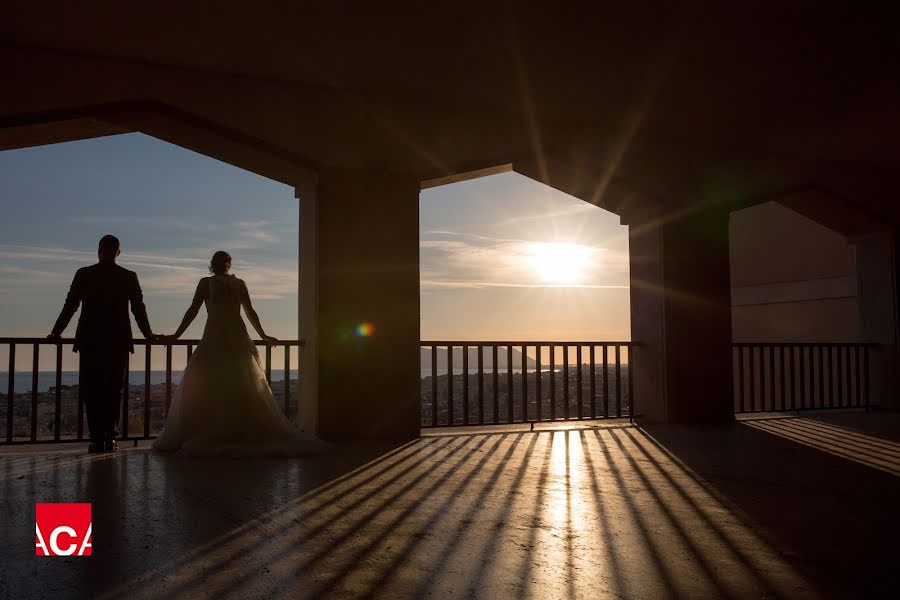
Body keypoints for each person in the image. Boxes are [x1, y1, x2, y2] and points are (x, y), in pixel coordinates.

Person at [153, 250, 321, 456]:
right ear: (213, 264)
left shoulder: (239, 284)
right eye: (218, 261)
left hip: (236, 337)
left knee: (238, 380)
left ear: (228, 264)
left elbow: (249, 311)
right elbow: (193, 310)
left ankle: (234, 431)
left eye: (224, 261)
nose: (221, 264)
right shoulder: (206, 283)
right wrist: (175, 335)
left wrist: (264, 335)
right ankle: (221, 430)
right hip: (216, 336)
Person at [49, 235, 158, 452]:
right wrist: (148, 334)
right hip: (118, 341)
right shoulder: (128, 277)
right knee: (114, 391)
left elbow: (70, 305)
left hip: (90, 340)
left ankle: (97, 438)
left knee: (92, 390)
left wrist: (56, 332)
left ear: (99, 251)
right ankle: (110, 437)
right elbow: (138, 309)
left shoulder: (85, 275)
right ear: (118, 252)